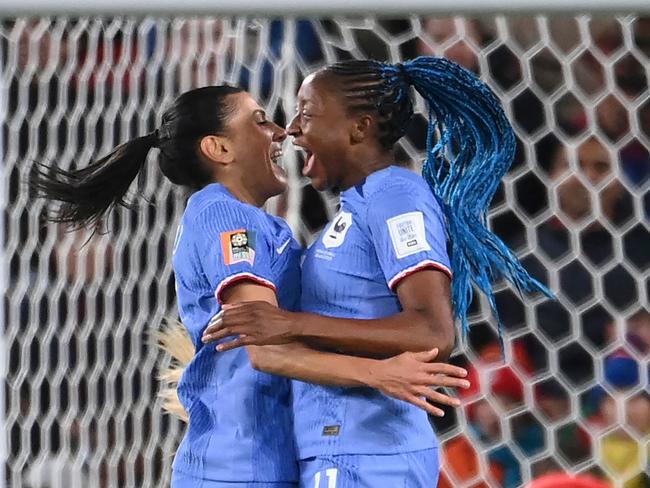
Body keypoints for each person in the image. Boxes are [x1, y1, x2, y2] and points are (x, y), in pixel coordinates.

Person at [30, 85, 470, 487]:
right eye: (259, 121)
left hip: (270, 459)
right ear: (219, 148)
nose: (280, 132)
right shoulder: (223, 216)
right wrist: (378, 373)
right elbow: (266, 347)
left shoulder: (264, 227)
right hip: (236, 470)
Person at [204, 57, 550, 487]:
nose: (292, 128)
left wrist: (288, 324)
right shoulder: (358, 206)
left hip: (370, 453)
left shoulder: (397, 195)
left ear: (360, 128)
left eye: (308, 113)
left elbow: (432, 333)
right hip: (340, 449)